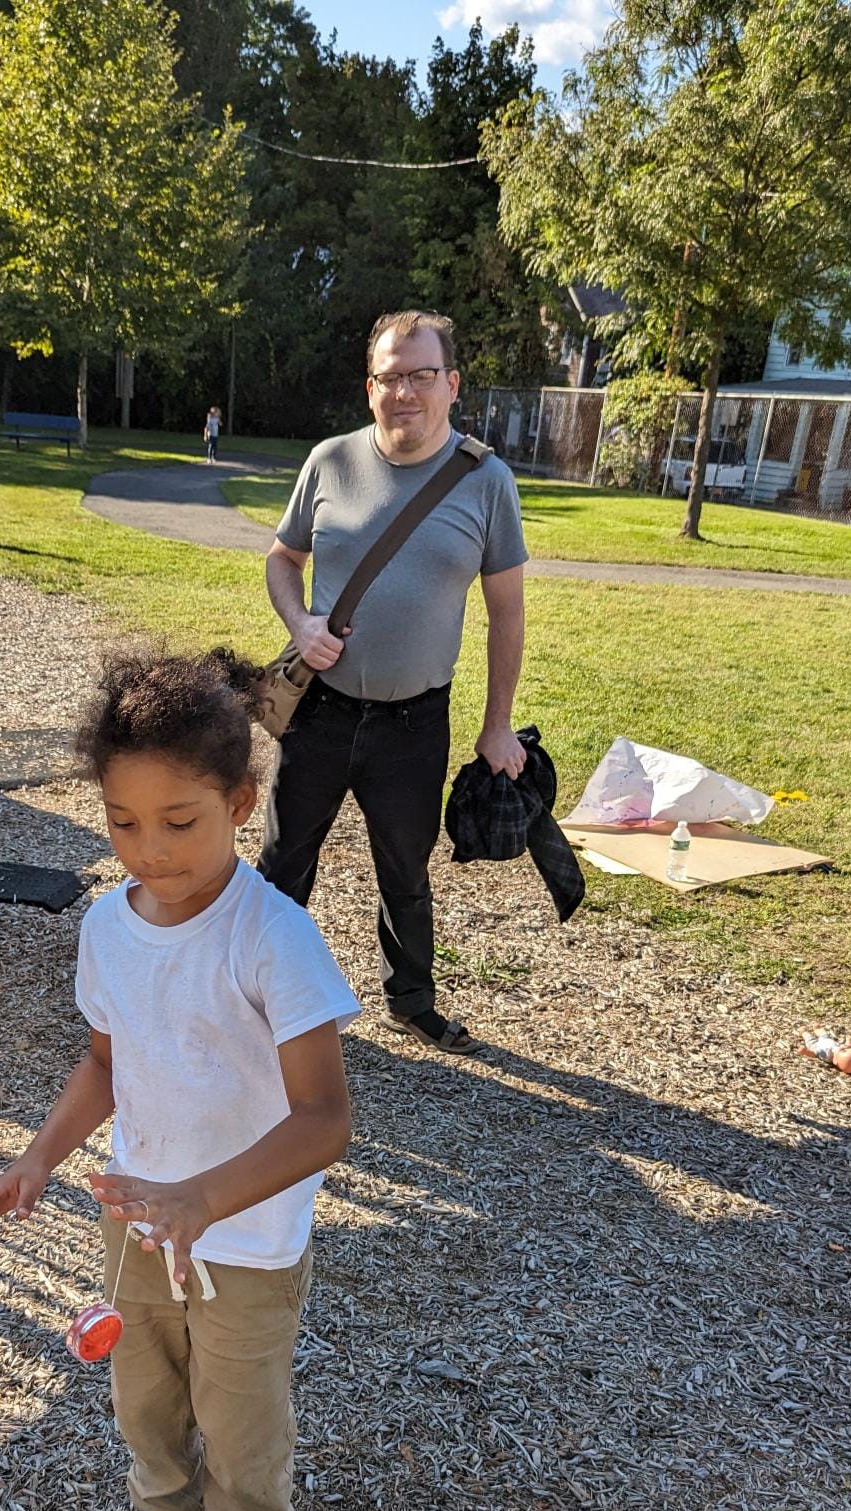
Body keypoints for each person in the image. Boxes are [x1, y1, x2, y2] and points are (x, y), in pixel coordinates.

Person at [0, 647, 357, 1511]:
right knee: (142, 1389)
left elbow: (325, 1118)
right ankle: (164, 1506)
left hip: (247, 1240)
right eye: (123, 822)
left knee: (238, 1407)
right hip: (138, 1220)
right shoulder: (107, 927)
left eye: (180, 822)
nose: (150, 850)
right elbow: (106, 1064)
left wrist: (206, 1199)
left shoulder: (274, 938)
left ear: (241, 803)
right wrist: (37, 1158)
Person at [259, 310, 529, 1057]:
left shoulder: (487, 482)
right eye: (389, 377)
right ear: (370, 387)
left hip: (415, 723)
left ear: (452, 384)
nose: (404, 391)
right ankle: (257, 997)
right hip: (320, 712)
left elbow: (506, 612)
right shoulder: (330, 461)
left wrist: (497, 725)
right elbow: (282, 559)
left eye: (421, 375)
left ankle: (410, 1002)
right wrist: (300, 624)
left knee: (406, 869)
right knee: (282, 864)